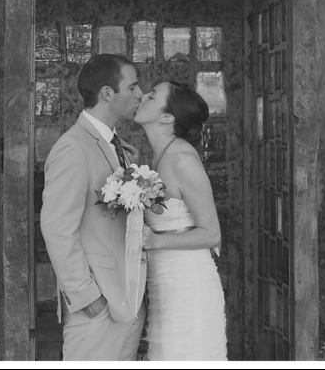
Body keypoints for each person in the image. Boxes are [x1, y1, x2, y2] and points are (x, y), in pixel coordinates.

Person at [40, 54, 145, 361]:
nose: (140, 94)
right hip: (98, 307)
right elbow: (57, 228)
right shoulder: (73, 147)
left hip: (128, 301)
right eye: (133, 86)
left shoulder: (117, 145)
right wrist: (86, 296)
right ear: (107, 93)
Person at [135, 81, 228, 361]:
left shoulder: (183, 159)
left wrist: (156, 241)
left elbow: (212, 234)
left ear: (166, 117)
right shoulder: (157, 157)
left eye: (152, 96)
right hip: (162, 287)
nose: (142, 96)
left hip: (189, 287)